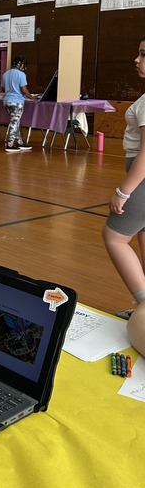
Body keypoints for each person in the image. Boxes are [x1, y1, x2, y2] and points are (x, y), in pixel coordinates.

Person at [103, 36, 145, 359]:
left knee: (114, 237)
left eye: (143, 54)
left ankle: (143, 302)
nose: (136, 59)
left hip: (141, 179)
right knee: (143, 236)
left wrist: (123, 191)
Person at [1, 55, 34, 152]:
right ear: (20, 64)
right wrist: (32, 97)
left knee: (15, 121)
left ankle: (19, 141)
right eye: (24, 64)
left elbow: (3, 88)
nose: (24, 67)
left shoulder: (5, 74)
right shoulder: (21, 75)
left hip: (6, 101)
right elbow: (24, 90)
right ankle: (10, 144)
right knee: (14, 122)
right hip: (17, 101)